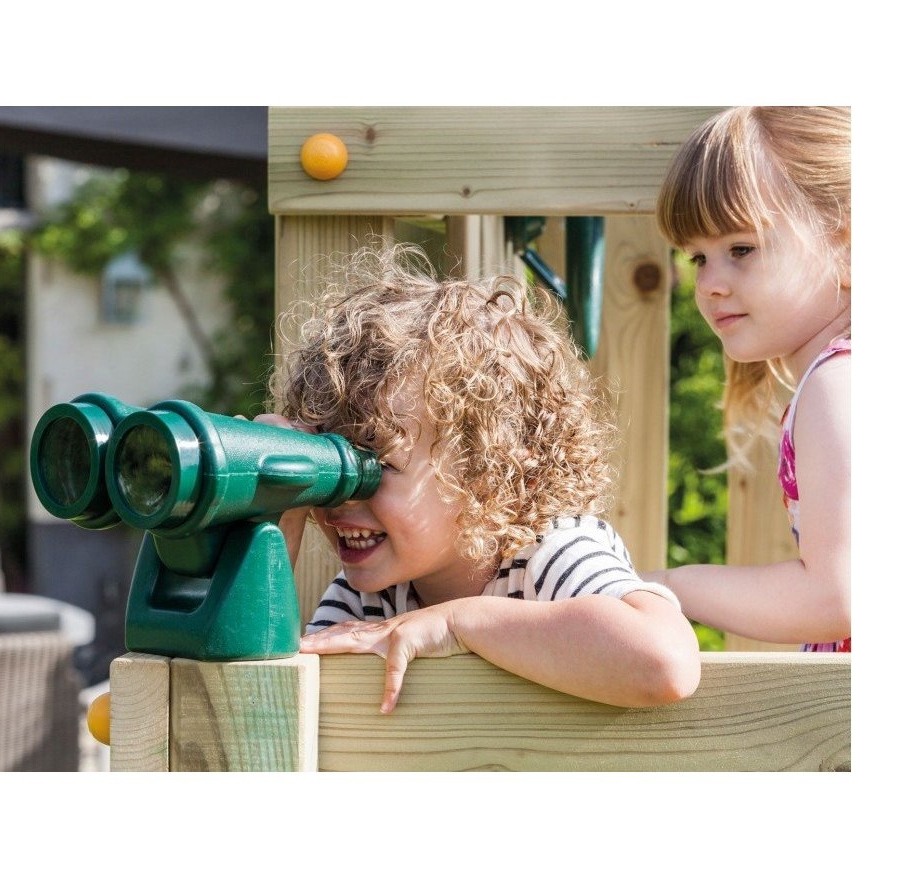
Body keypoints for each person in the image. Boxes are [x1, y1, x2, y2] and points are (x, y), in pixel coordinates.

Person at [258, 243, 701, 714]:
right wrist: (276, 507)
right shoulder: (371, 597)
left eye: (377, 464)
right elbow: (269, 701)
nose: (342, 495)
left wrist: (458, 622)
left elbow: (665, 662)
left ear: (493, 472)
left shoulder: (549, 557)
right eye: (331, 462)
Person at [644, 106, 851, 652]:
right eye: (697, 259)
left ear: (848, 244)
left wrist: (664, 586)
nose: (710, 284)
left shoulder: (839, 384)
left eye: (741, 249)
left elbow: (837, 597)